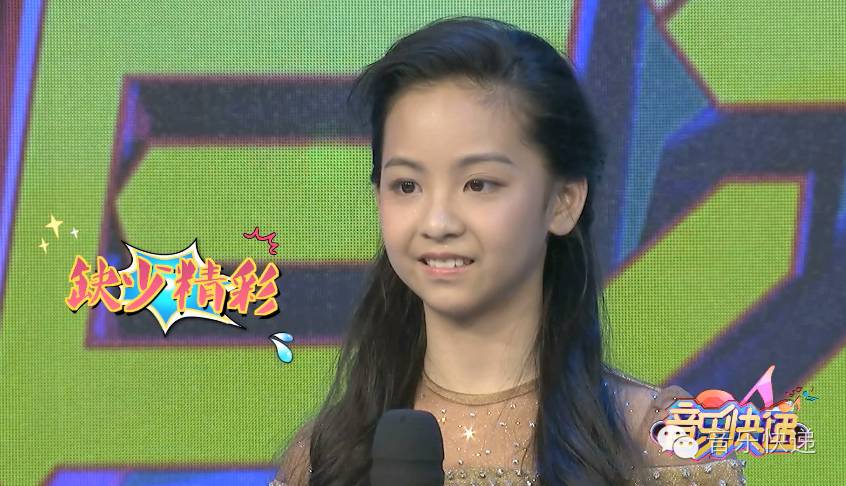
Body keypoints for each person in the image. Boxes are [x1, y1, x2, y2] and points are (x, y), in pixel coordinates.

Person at [270, 15, 747, 486]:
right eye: (407, 185)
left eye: (478, 184)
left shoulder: (663, 448)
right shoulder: (325, 458)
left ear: (564, 201)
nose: (437, 222)